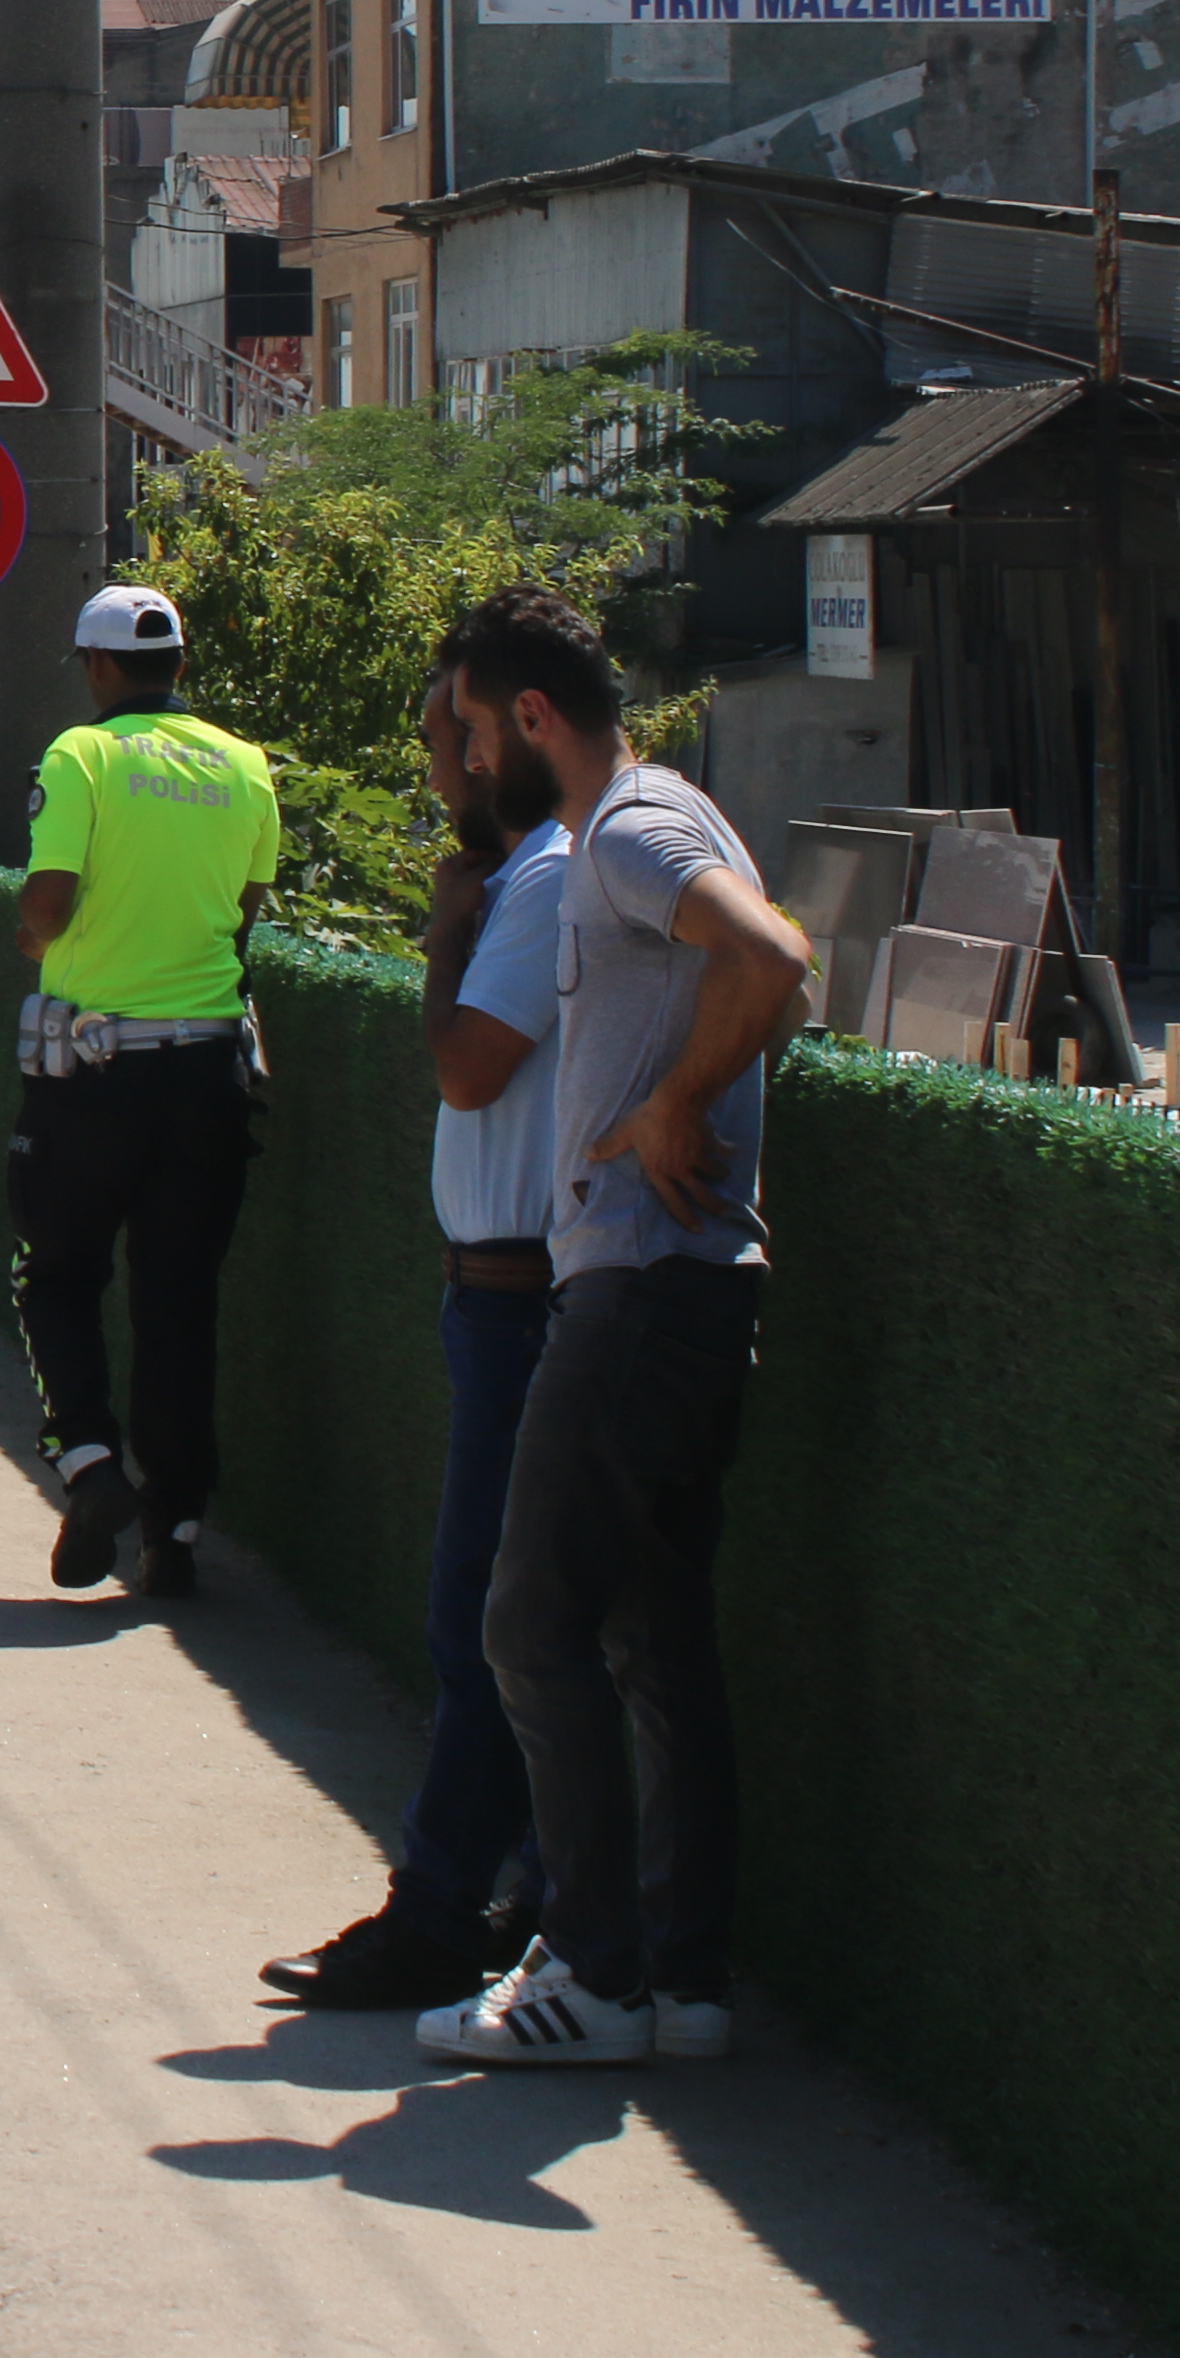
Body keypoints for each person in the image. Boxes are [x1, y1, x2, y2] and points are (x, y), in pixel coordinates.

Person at [418, 586, 808, 2071]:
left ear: (529, 720)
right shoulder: (651, 821)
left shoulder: (632, 828)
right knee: (651, 1633)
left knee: (528, 1623)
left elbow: (766, 957)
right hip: (679, 1284)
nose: (458, 764)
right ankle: (679, 1984)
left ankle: (588, 1968)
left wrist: (673, 1105)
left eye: (466, 730)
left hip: (640, 1286)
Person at [262, 663, 571, 2008]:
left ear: (508, 741)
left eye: (450, 746)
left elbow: (467, 1064)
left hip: (532, 1300)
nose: (436, 775)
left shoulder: (542, 881)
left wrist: (447, 932)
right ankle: (524, 1896)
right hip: (495, 1294)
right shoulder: (533, 878)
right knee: (507, 1621)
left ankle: (449, 1908)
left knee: (485, 1621)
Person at [6, 583, 281, 1598]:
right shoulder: (246, 764)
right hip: (208, 1072)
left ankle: (86, 1461)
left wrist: (37, 939)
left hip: (93, 1072)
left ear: (97, 667)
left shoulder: (85, 756)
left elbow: (50, 897)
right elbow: (247, 903)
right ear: (180, 665)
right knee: (179, 1300)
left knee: (55, 1271)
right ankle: (177, 1530)